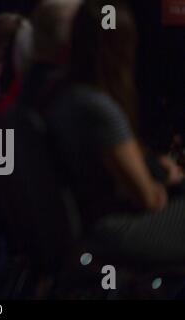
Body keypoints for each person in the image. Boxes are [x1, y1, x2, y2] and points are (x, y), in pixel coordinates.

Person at [45, 0, 185, 263]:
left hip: (83, 229)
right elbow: (150, 199)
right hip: (111, 232)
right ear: (121, 46)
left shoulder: (60, 98)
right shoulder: (99, 108)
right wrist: (166, 180)